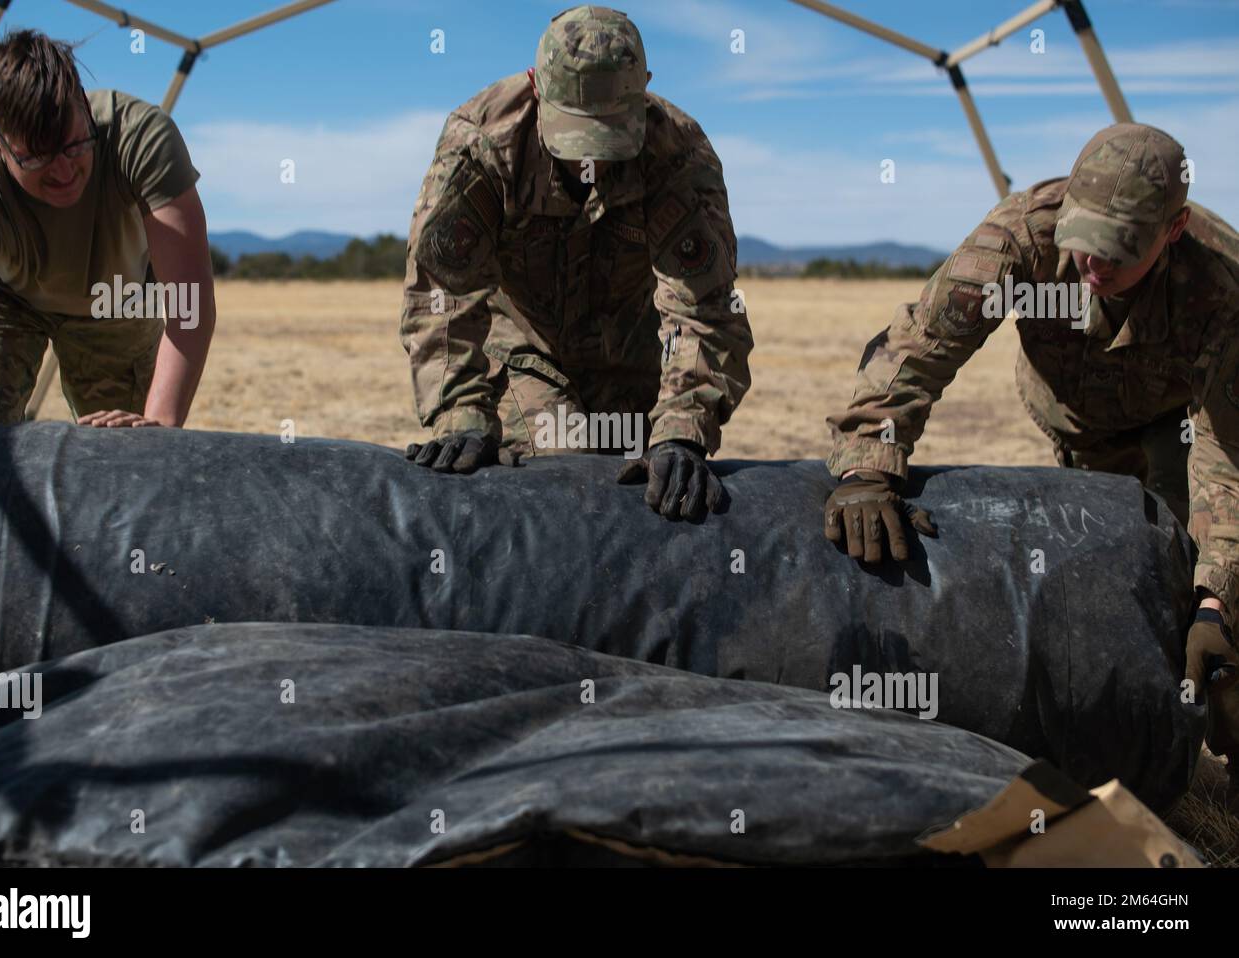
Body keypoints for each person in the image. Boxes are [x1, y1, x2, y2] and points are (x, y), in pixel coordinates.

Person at [822, 123, 1239, 753]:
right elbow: (920, 347)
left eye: (1120, 249)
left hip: (1177, 414)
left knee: (1192, 573)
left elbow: (1229, 456)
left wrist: (1217, 603)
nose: (1094, 266)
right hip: (1073, 413)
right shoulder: (1021, 234)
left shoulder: (1221, 287)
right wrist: (866, 466)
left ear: (1172, 230)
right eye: (1085, 242)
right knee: (1113, 556)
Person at [400, 4, 752, 520]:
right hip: (528, 356)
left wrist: (682, 428)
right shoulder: (483, 143)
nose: (593, 161)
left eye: (610, 137)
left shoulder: (678, 156)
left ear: (645, 92)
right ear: (536, 88)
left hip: (636, 363)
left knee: (646, 503)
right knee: (567, 485)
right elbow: (442, 289)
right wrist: (461, 411)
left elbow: (706, 308)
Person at [0, 30, 216, 474]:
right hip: (8, 300)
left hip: (114, 300)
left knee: (125, 461)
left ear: (84, 106)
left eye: (75, 145)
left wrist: (160, 428)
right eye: (37, 157)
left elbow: (189, 306)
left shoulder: (140, 136)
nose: (65, 171)